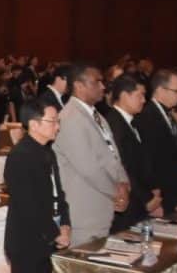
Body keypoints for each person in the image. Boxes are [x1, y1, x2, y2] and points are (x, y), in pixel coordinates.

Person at [4, 99, 71, 273]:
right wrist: (54, 232)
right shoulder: (20, 156)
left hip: (48, 237)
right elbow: (28, 205)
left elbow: (58, 193)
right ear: (34, 124)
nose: (57, 127)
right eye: (52, 121)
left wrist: (65, 224)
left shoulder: (47, 152)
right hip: (27, 240)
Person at [52, 64, 130, 246]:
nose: (103, 86)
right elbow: (88, 168)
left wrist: (124, 183)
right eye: (97, 82)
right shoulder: (70, 118)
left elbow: (113, 154)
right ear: (79, 86)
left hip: (102, 207)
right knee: (85, 262)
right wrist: (117, 193)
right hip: (84, 213)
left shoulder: (97, 116)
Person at [107, 75, 162, 231]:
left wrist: (154, 189)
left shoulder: (134, 121)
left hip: (139, 201)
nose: (144, 100)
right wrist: (146, 198)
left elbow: (143, 161)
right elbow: (122, 167)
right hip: (128, 203)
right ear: (125, 95)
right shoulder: (113, 123)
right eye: (140, 95)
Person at [135, 69, 177, 213]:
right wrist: (153, 198)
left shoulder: (167, 114)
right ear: (160, 90)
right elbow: (148, 160)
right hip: (158, 195)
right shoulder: (147, 116)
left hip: (171, 192)